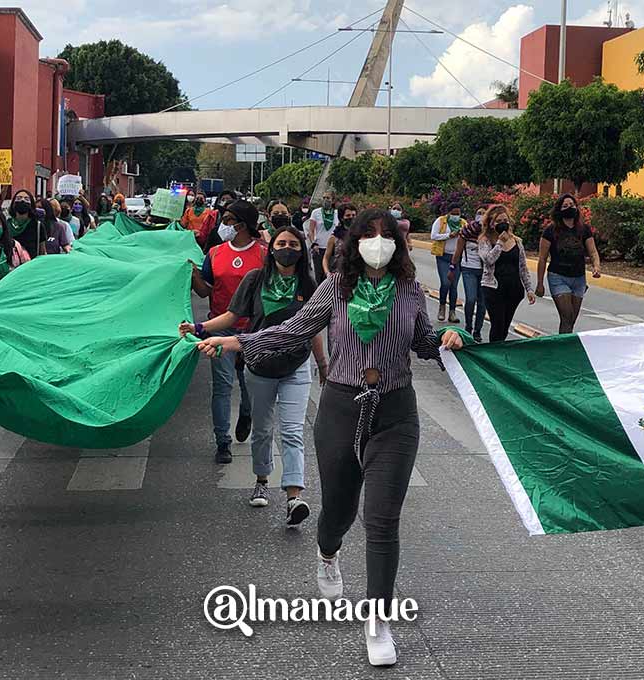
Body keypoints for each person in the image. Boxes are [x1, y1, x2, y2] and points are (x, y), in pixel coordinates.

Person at [195, 208, 464, 667]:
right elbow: (293, 330)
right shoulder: (335, 289)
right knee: (337, 512)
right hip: (341, 408)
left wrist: (447, 338)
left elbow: (422, 341)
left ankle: (377, 619)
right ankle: (327, 552)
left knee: (381, 519)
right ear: (353, 242)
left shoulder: (409, 290)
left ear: (398, 245)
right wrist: (239, 342)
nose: (377, 242)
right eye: (368, 235)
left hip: (396, 413)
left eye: (386, 236)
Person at [180, 225, 326, 523]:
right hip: (258, 366)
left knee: (292, 432)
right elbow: (234, 316)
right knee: (262, 430)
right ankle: (261, 480)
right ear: (271, 248)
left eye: (294, 244)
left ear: (302, 252)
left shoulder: (309, 285)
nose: (288, 249)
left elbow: (314, 329)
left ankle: (294, 497)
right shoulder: (255, 279)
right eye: (282, 243)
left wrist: (322, 363)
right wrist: (200, 328)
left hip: (295, 366)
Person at [191, 200, 265, 464]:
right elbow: (204, 291)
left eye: (229, 220)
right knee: (222, 386)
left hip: (253, 333)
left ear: (243, 225)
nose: (224, 224)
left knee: (249, 385)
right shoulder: (214, 253)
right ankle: (222, 441)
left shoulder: (263, 255)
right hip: (221, 330)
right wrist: (191, 273)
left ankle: (246, 412)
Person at [535, 194, 601, 334]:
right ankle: (563, 349)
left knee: (571, 320)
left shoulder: (584, 229)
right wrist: (540, 283)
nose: (569, 208)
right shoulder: (551, 230)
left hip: (579, 278)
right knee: (567, 315)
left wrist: (596, 267)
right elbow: (542, 258)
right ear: (559, 210)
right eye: (565, 206)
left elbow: (593, 252)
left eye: (571, 205)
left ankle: (563, 343)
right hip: (558, 277)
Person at [477, 205, 536, 343]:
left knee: (504, 328)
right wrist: (499, 243)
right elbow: (489, 260)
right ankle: (494, 356)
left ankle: (499, 353)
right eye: (498, 221)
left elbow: (523, 267)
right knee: (497, 325)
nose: (503, 223)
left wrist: (529, 289)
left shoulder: (517, 241)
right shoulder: (485, 240)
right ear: (491, 224)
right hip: (493, 289)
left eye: (505, 220)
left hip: (513, 289)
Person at [449, 207, 488, 341]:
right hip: (468, 269)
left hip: (484, 272)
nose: (481, 216)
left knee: (482, 303)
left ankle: (477, 331)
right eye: (479, 213)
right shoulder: (465, 232)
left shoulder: (489, 233)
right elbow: (458, 251)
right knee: (470, 299)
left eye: (484, 214)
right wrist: (452, 268)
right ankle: (468, 326)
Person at [429, 204, 464, 323]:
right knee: (445, 282)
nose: (456, 216)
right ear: (448, 213)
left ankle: (452, 312)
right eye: (453, 213)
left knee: (453, 285)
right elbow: (433, 236)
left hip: (457, 258)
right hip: (443, 256)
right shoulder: (441, 221)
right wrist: (449, 235)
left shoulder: (463, 224)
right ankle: (442, 307)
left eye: (458, 213)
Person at [7, 190, 48, 258]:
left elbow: (42, 252)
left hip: (31, 266)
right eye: (19, 198)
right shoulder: (6, 224)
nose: (22, 200)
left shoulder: (37, 226)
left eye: (26, 199)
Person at [308, 193, 338, 282]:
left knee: (331, 274)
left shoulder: (337, 213)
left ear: (332, 200)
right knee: (319, 275)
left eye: (328, 198)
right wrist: (313, 243)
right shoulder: (316, 212)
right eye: (323, 198)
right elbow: (311, 230)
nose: (325, 200)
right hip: (319, 248)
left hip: (332, 248)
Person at [322, 203, 357, 276]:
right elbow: (326, 258)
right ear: (341, 218)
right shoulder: (334, 238)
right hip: (338, 275)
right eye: (348, 215)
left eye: (353, 215)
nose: (351, 217)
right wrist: (327, 273)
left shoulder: (360, 235)